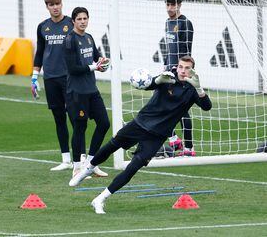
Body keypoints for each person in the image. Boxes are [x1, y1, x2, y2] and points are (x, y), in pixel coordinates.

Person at [69, 55, 212, 214]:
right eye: (181, 67)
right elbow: (148, 85)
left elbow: (207, 107)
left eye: (187, 68)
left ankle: (100, 199)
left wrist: (199, 89)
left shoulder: (192, 89)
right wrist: (157, 81)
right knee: (112, 145)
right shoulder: (168, 77)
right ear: (176, 67)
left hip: (157, 136)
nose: (183, 71)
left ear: (192, 70)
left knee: (133, 167)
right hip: (141, 123)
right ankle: (88, 168)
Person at [31, 0, 85, 171]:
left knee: (75, 118)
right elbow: (40, 52)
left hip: (69, 78)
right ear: (47, 7)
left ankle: (81, 159)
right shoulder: (42, 27)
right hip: (50, 78)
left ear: (62, 4)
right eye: (51, 5)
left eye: (57, 4)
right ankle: (65, 159)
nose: (55, 7)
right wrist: (34, 76)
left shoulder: (71, 23)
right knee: (58, 118)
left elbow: (81, 47)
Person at [64, 7, 110, 178]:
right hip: (77, 92)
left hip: (92, 90)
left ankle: (91, 164)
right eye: (79, 19)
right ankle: (76, 167)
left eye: (85, 18)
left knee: (104, 123)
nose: (83, 21)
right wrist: (94, 66)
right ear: (73, 21)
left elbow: (97, 58)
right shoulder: (69, 40)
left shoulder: (89, 38)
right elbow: (73, 68)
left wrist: (103, 63)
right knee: (80, 127)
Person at [164, 0, 195, 156]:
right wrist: (165, 65)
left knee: (182, 108)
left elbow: (187, 51)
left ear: (179, 5)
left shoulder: (185, 23)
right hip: (169, 70)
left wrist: (183, 71)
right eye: (168, 4)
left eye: (173, 5)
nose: (170, 8)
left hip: (180, 71)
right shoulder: (167, 23)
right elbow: (168, 48)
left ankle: (188, 147)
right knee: (164, 104)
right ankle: (174, 139)